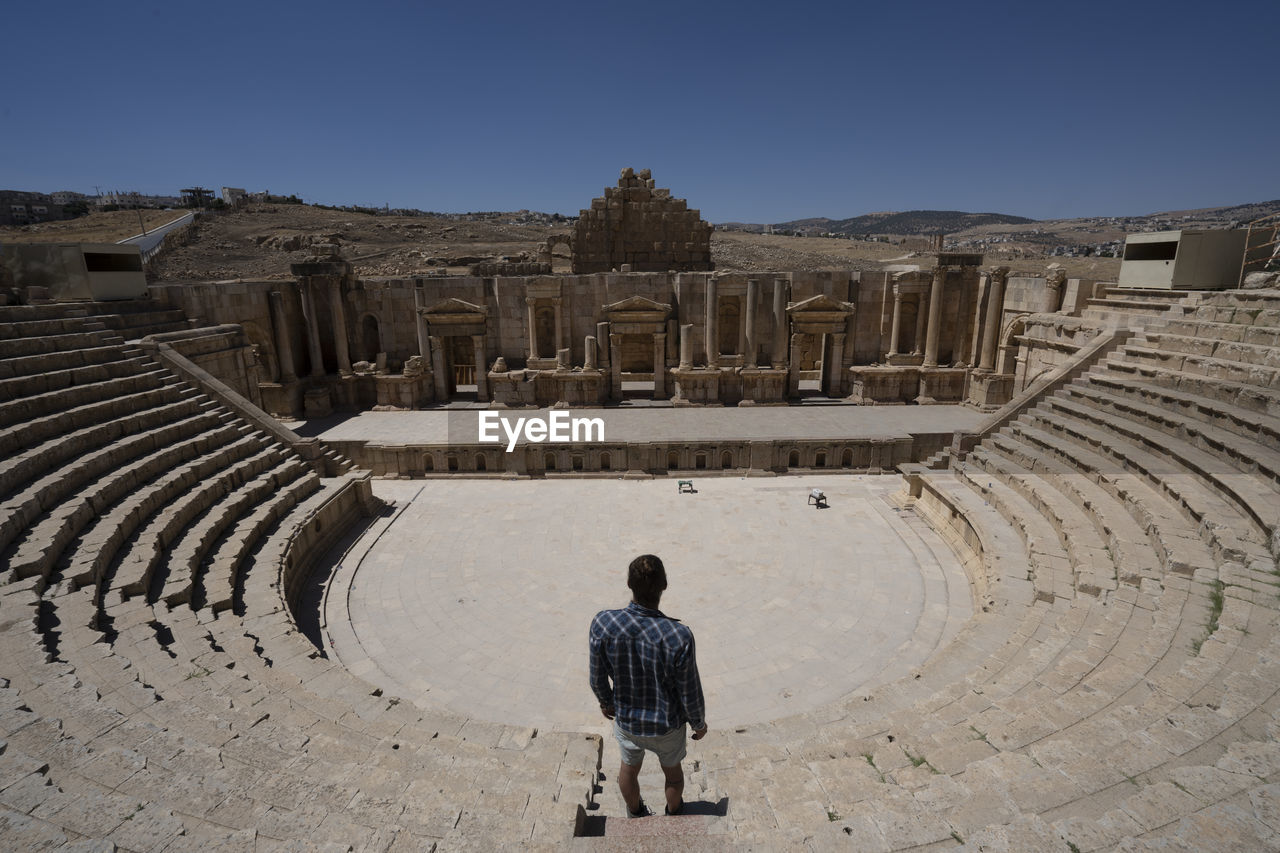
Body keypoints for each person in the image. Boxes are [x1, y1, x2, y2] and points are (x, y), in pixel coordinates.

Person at [589, 554, 707, 818]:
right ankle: (674, 813)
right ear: (664, 585)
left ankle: (636, 812)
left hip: (628, 720)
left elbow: (596, 676)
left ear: (629, 582)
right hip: (667, 724)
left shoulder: (603, 623)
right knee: (674, 777)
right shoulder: (679, 636)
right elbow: (689, 691)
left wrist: (606, 701)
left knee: (628, 770)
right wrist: (698, 723)